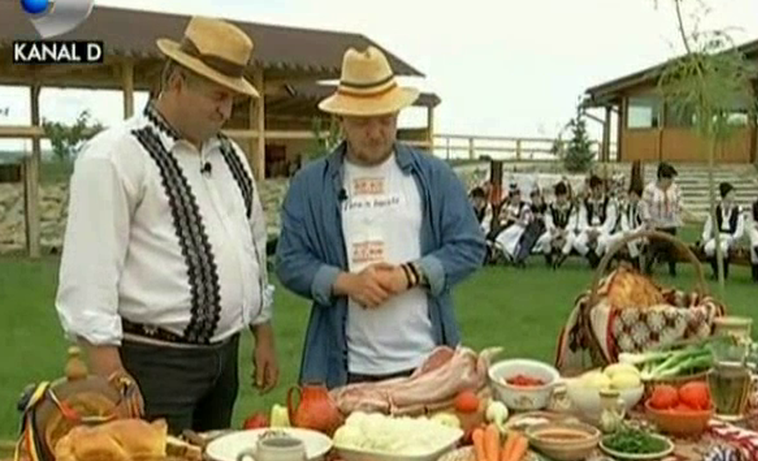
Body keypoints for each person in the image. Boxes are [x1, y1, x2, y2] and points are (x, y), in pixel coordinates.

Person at [55, 17, 279, 434]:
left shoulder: (232, 158)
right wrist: (111, 374)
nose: (226, 110)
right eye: (218, 96)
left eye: (232, 98)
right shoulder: (116, 155)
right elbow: (88, 278)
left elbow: (252, 248)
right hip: (154, 364)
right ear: (176, 83)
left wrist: (262, 333)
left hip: (223, 361)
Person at [274, 46, 485, 388]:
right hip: (343, 369)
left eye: (385, 119)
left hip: (427, 363)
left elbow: (470, 246)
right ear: (340, 120)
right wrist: (348, 283)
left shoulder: (435, 176)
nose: (375, 132)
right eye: (362, 121)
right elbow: (289, 261)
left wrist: (410, 274)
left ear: (398, 115)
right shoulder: (309, 185)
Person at [642, 162, 683, 277]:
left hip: (670, 224)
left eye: (671, 179)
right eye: (668, 179)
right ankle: (647, 269)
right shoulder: (650, 189)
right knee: (653, 247)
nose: (670, 182)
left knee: (671, 247)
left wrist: (678, 212)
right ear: (661, 177)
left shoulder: (675, 189)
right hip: (655, 225)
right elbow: (644, 207)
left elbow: (680, 203)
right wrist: (649, 222)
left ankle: (672, 271)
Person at [701, 182, 745, 280]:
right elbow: (709, 224)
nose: (733, 196)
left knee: (722, 249)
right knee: (709, 248)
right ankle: (716, 271)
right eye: (731, 193)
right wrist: (705, 237)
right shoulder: (716, 209)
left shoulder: (738, 210)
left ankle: (724, 273)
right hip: (719, 235)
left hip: (730, 236)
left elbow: (740, 227)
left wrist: (734, 238)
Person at [574, 175, 618, 268]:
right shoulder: (586, 202)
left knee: (602, 242)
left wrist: (599, 231)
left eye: (600, 188)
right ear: (591, 189)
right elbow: (582, 219)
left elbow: (610, 220)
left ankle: (595, 260)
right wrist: (589, 230)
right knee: (577, 242)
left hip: (603, 230)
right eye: (596, 189)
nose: (598, 191)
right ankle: (592, 257)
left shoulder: (608, 201)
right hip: (589, 229)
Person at [600, 184, 647, 269]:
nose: (632, 198)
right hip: (626, 233)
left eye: (634, 195)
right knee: (609, 239)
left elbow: (644, 224)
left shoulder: (643, 207)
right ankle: (607, 262)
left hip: (640, 234)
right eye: (630, 195)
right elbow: (623, 220)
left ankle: (636, 263)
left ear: (638, 196)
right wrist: (627, 231)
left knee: (630, 241)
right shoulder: (627, 206)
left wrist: (632, 233)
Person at [539, 182, 577, 269]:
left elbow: (572, 222)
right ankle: (549, 259)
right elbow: (548, 220)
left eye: (563, 196)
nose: (561, 199)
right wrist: (553, 229)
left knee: (572, 238)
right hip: (555, 230)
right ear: (556, 196)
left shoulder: (571, 207)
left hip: (566, 231)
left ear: (566, 195)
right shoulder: (551, 207)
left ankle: (559, 260)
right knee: (544, 239)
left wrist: (565, 230)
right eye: (559, 196)